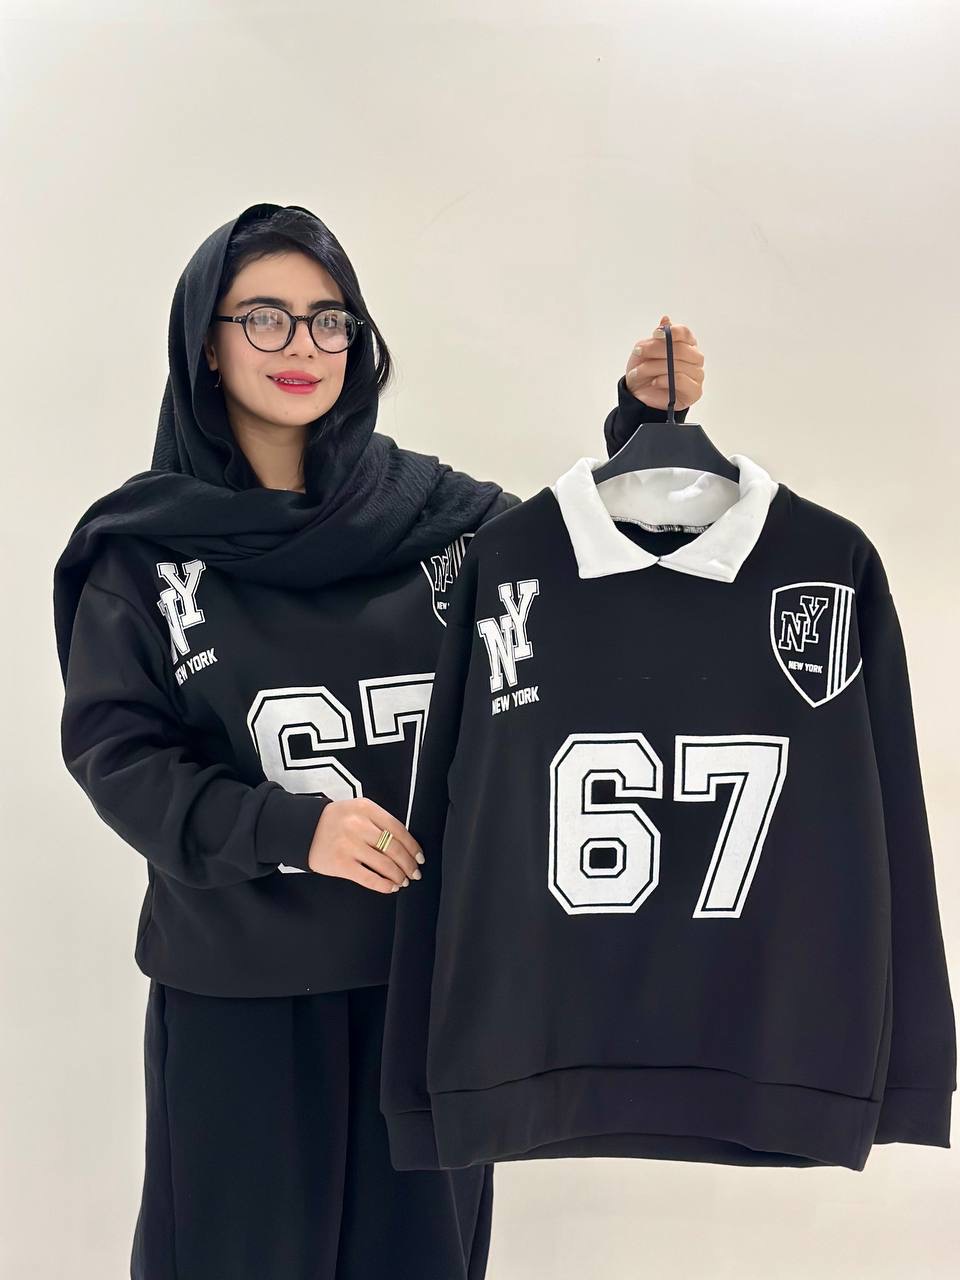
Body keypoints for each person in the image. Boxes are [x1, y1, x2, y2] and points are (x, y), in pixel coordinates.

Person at [52, 201, 703, 1280]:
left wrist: (641, 434)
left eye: (329, 319)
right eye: (264, 316)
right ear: (205, 343)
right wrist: (289, 829)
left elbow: (583, 581)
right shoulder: (145, 555)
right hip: (239, 998)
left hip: (427, 990)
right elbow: (118, 755)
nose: (302, 345)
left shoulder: (443, 523)